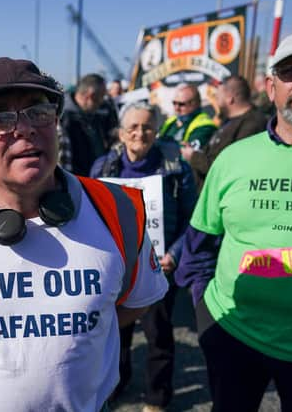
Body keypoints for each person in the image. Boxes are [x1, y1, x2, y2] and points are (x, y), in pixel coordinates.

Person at [0, 57, 168, 412]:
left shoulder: (118, 209)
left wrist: (83, 332)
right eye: (0, 118)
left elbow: (141, 297)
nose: (24, 129)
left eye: (38, 112)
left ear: (55, 124)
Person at [175, 29, 292, 412]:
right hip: (234, 339)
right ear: (271, 88)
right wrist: (207, 319)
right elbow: (198, 245)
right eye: (291, 71)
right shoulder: (234, 157)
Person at [90, 102, 197, 412]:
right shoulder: (103, 167)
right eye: (133, 127)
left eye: (148, 127)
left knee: (158, 335)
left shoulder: (177, 169)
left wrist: (175, 255)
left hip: (159, 267)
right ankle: (118, 382)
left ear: (157, 131)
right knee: (114, 331)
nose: (140, 133)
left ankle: (157, 397)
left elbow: (193, 219)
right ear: (121, 133)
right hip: (118, 267)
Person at [180, 75, 268, 190]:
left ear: (230, 98)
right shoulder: (228, 121)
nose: (216, 101)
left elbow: (232, 168)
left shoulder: (253, 124)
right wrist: (195, 150)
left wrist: (193, 157)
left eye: (218, 97)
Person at [59, 73, 119, 176]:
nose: (102, 101)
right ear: (90, 96)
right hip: (77, 179)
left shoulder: (102, 112)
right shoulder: (62, 117)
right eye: (101, 97)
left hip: (99, 176)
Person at [159, 83, 217, 150]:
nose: (176, 108)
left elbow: (190, 153)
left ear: (195, 104)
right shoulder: (171, 121)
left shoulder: (205, 126)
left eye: (181, 104)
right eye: (174, 103)